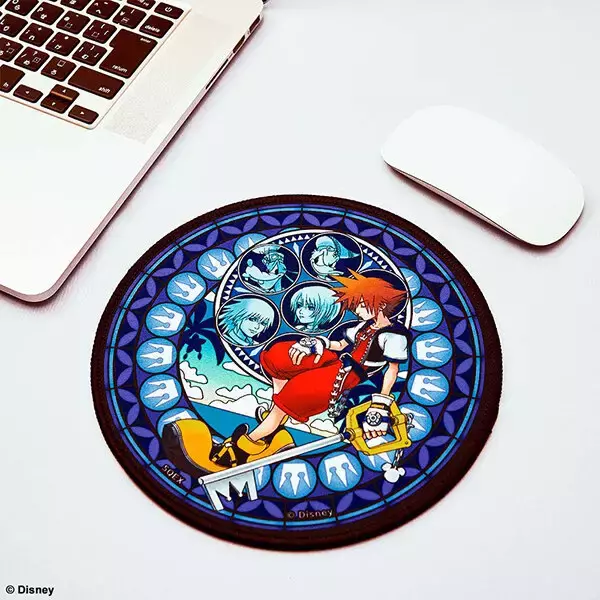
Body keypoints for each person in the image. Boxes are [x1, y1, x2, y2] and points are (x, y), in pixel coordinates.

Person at [212, 270, 409, 467]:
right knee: (278, 356)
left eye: (361, 304)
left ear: (381, 304)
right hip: (338, 361)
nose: (356, 310)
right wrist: (317, 343)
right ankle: (275, 417)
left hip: (346, 376)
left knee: (297, 392)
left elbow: (392, 370)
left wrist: (380, 404)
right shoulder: (365, 326)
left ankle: (243, 448)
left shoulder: (394, 336)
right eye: (356, 304)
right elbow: (340, 345)